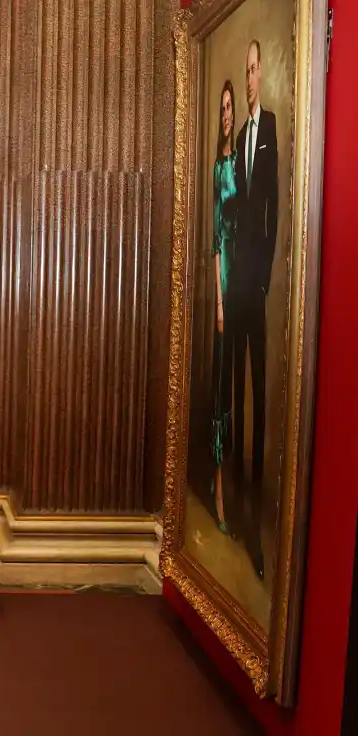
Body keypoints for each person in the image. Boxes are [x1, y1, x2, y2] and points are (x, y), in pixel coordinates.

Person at [231, 39, 278, 580]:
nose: (248, 79)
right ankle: (240, 513)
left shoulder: (269, 133)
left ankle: (259, 530)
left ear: (263, 74)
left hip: (256, 284)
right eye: (243, 71)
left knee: (260, 396)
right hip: (233, 283)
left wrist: (263, 280)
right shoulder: (241, 135)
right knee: (236, 395)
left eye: (253, 70)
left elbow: (275, 205)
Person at [209, 81, 237, 537]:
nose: (228, 114)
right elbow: (216, 243)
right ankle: (217, 490)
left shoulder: (246, 163)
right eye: (224, 108)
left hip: (246, 278)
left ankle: (231, 487)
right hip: (225, 282)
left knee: (236, 394)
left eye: (231, 107)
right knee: (219, 389)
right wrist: (218, 300)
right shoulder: (219, 168)